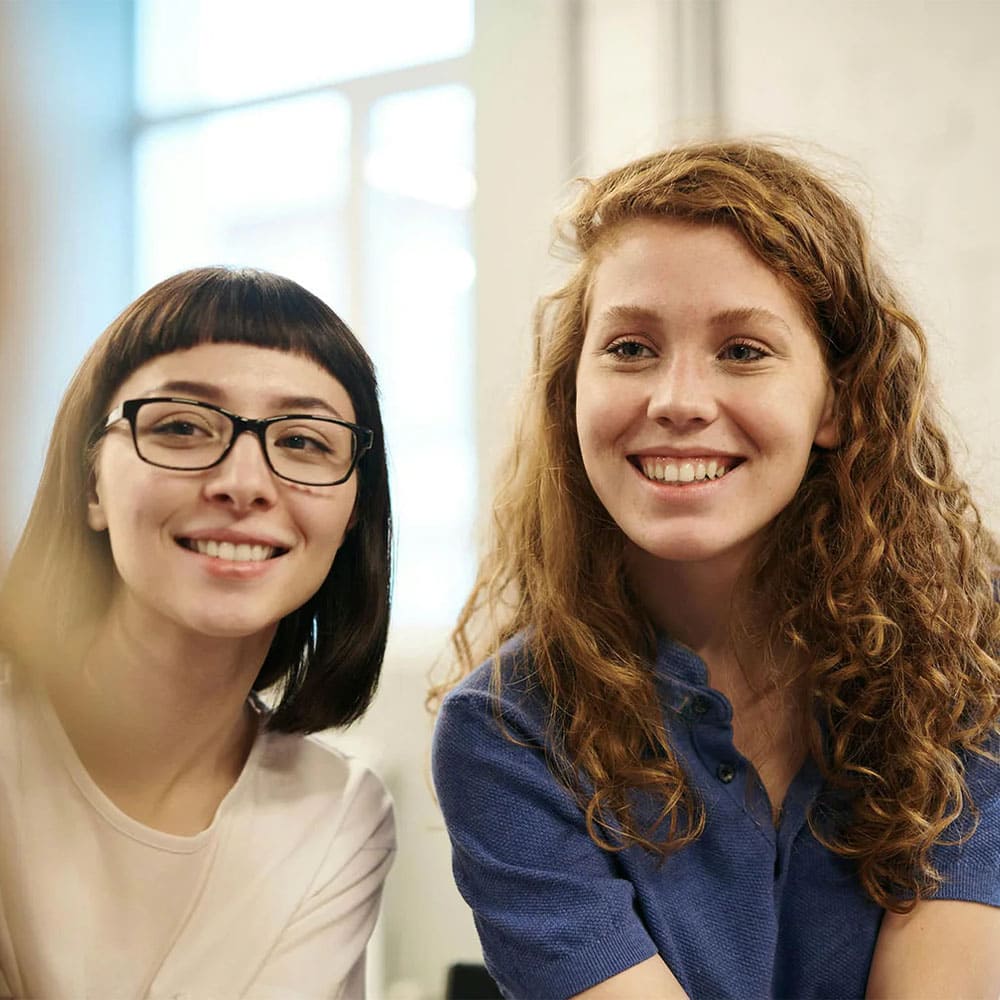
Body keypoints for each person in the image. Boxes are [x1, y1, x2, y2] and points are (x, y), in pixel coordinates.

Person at [431, 141, 1000, 999]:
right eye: (629, 348)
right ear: (571, 393)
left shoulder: (975, 658)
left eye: (743, 351)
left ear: (839, 402)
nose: (678, 400)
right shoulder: (508, 731)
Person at [0, 267, 394, 998]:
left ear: (349, 517)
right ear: (93, 486)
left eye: (304, 441)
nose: (243, 483)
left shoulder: (337, 815)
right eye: (181, 427)